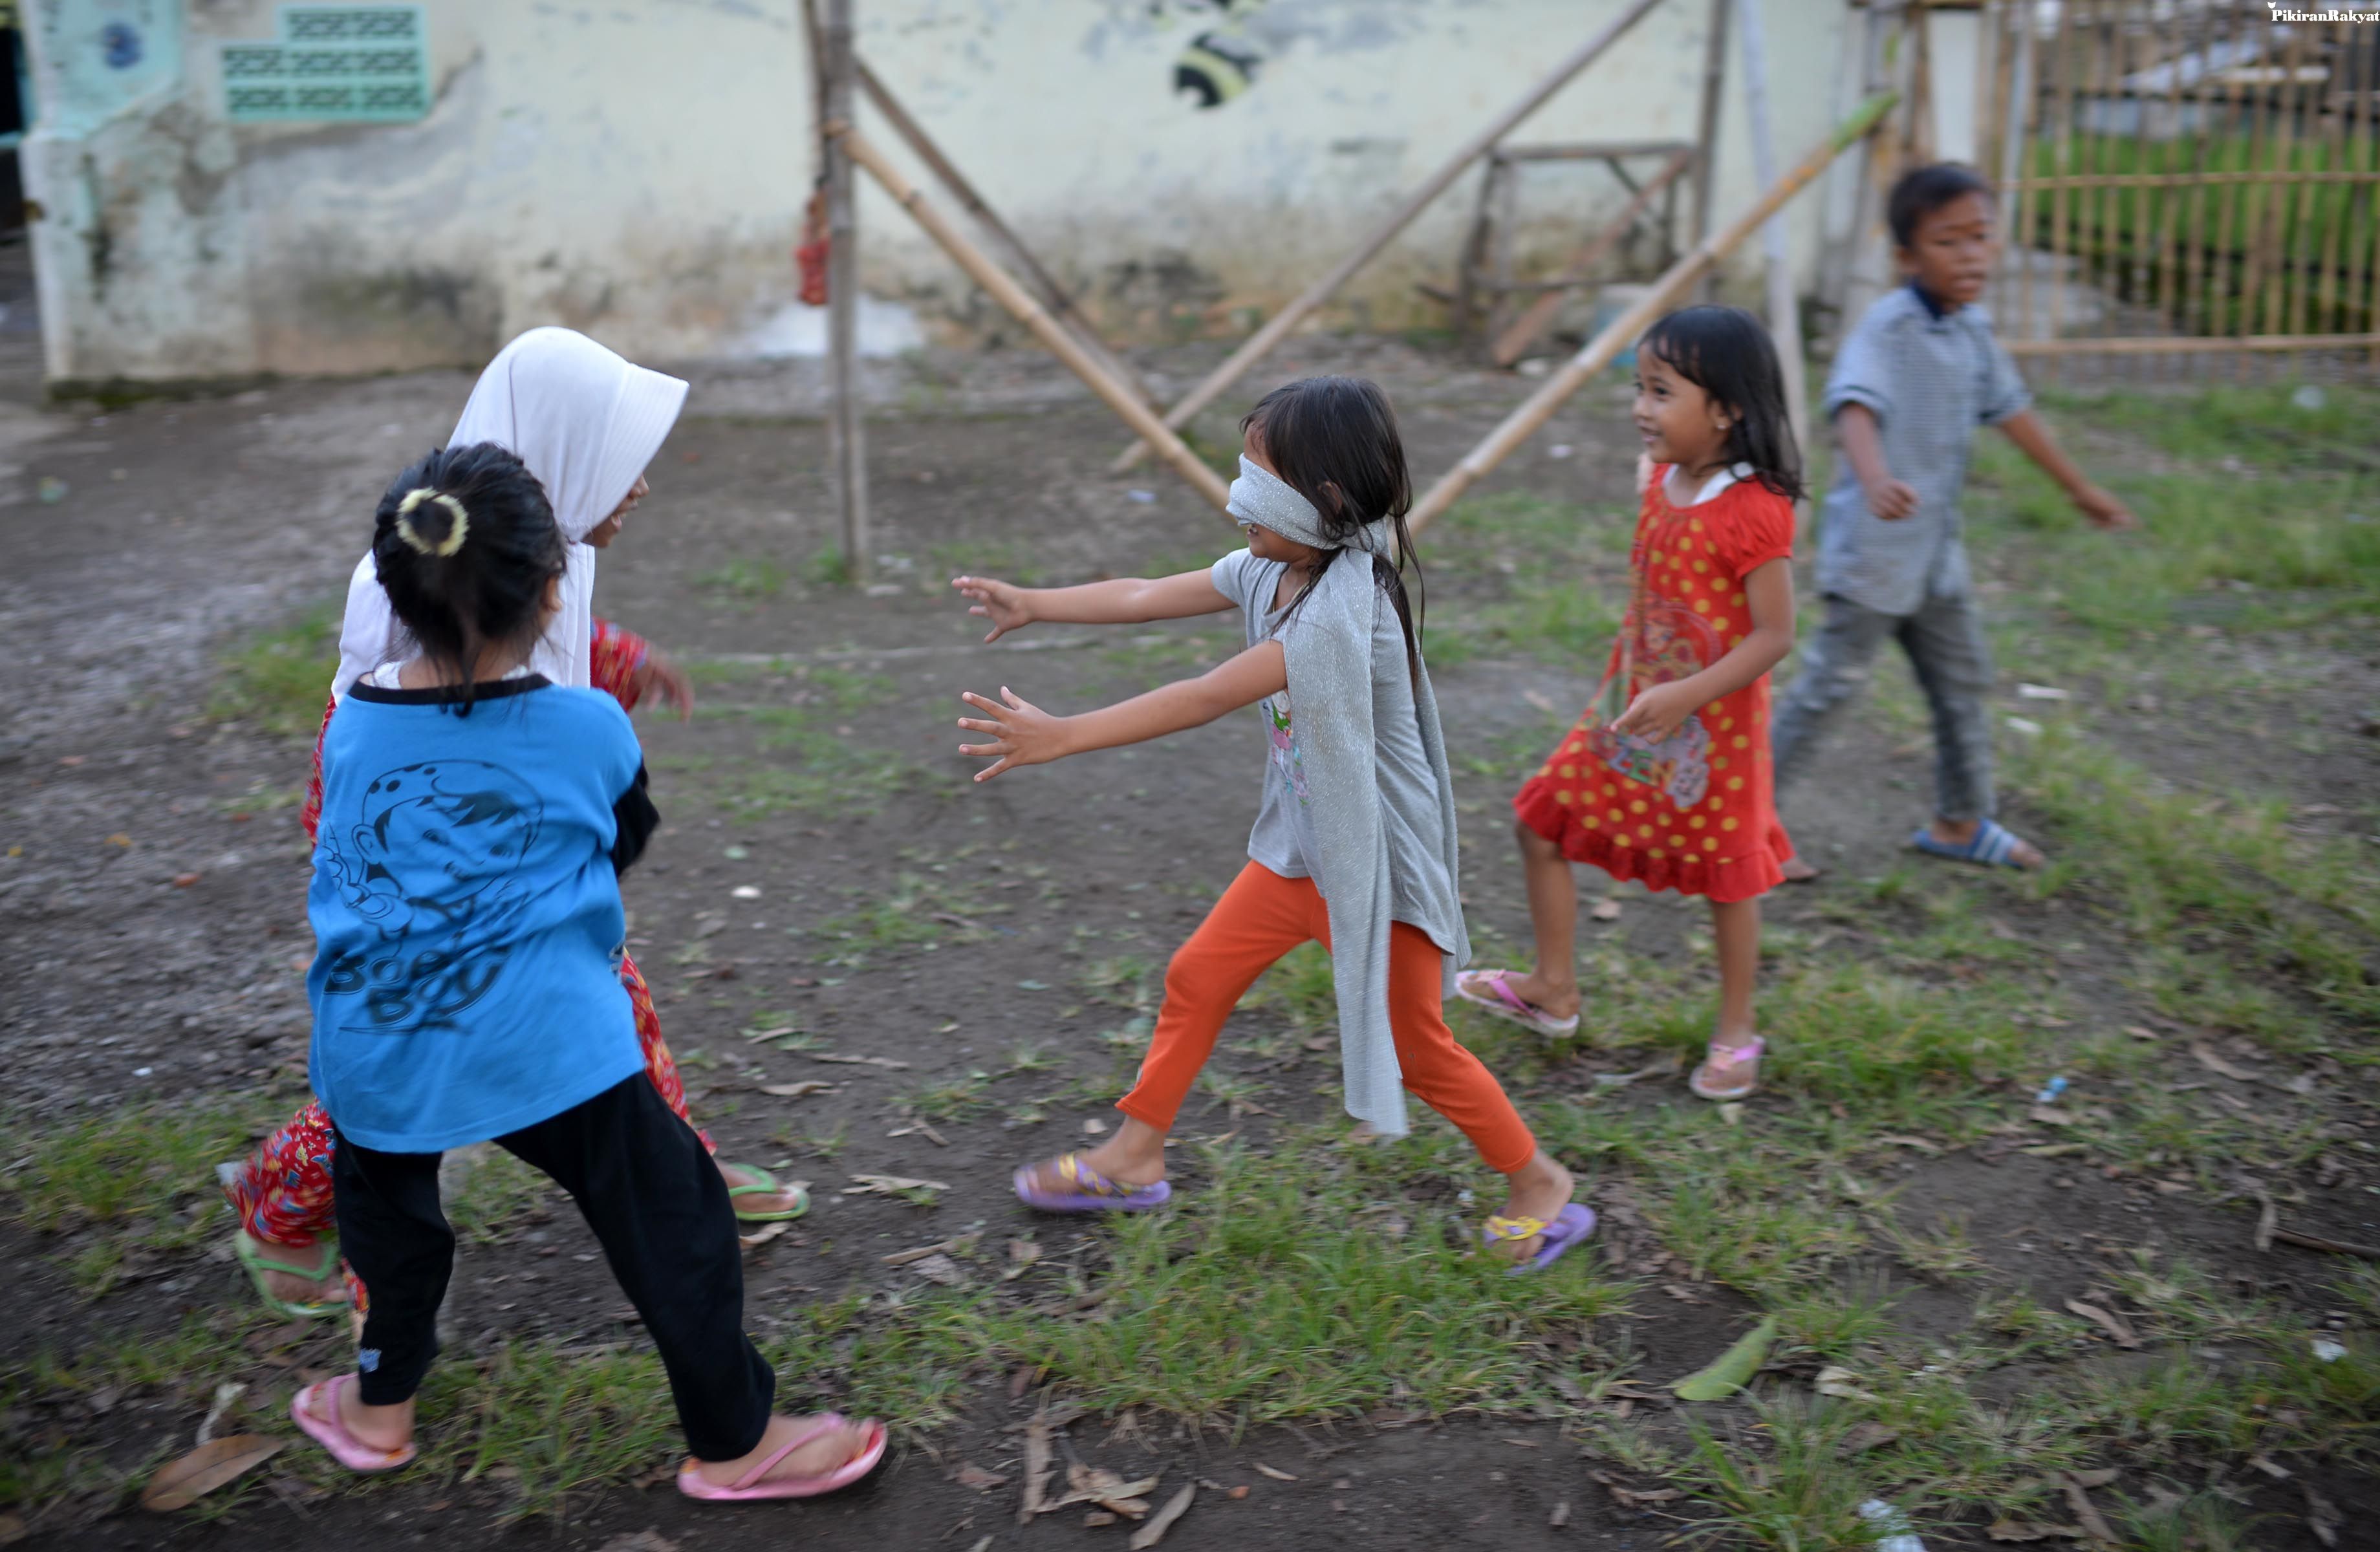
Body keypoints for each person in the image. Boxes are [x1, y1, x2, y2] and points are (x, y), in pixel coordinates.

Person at [288, 442, 883, 1501]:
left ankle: (377, 1413)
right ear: (556, 593)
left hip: (373, 1040)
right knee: (675, 1216)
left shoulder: (353, 726)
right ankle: (738, 1442)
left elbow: (351, 852)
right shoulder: (587, 721)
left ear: (393, 591)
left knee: (390, 1230)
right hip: (546, 1039)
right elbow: (621, 837)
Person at [223, 329, 802, 1322]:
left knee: (604, 1019)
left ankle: (683, 1175)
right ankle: (283, 1210)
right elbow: (399, 724)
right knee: (414, 1058)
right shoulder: (397, 592)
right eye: (626, 467)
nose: (642, 489)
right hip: (424, 875)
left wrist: (615, 655)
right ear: (561, 459)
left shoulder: (536, 562)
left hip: (520, 859)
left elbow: (512, 645)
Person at [949, 376, 1591, 1271]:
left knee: (1420, 1049)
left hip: (1375, 872)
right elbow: (1141, 593)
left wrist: (1065, 737)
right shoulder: (1271, 567)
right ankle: (1135, 1156)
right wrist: (1037, 600)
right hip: (1301, 851)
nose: (1235, 501)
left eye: (1258, 481)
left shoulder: (1342, 612)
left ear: (1326, 502)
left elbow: (1207, 693)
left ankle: (1540, 1183)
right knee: (1198, 977)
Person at [1456, 307, 1800, 1103]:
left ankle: (1737, 1032)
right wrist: (1651, 692)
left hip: (1711, 732)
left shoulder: (1755, 510)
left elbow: (1774, 635)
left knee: (1728, 880)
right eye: (1639, 389)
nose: (1641, 408)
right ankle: (1551, 989)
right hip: (1629, 712)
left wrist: (1685, 694)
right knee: (1539, 821)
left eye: (1661, 392)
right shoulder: (1660, 479)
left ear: (1727, 410)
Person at [1771, 162, 2137, 879]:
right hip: (1874, 556)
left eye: (1981, 237)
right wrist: (1872, 477)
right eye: (1948, 241)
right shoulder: (1888, 327)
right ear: (1906, 257)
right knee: (1828, 688)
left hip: (1935, 556)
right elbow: (1853, 405)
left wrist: (2077, 488)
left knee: (1962, 680)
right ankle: (1751, 828)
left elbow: (2011, 410)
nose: (1970, 255)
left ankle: (1960, 819)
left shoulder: (1971, 329)